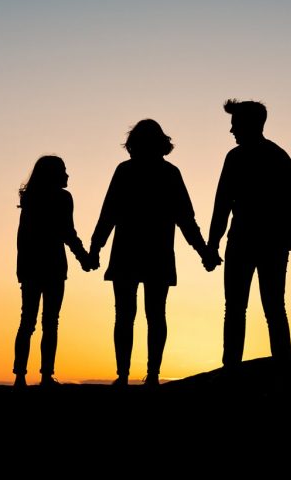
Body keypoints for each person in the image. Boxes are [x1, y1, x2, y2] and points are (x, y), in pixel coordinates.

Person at [89, 119, 215, 385]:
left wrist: (95, 248)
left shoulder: (126, 171)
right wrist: (203, 251)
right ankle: (151, 376)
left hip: (129, 252)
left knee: (126, 315)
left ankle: (125, 376)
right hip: (155, 253)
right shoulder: (169, 174)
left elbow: (108, 214)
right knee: (154, 314)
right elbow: (186, 219)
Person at [206, 99, 291, 365]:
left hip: (251, 243)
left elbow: (222, 203)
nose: (232, 130)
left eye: (235, 124)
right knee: (268, 308)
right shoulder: (277, 156)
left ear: (249, 124)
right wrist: (286, 242)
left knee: (244, 308)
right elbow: (223, 203)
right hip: (258, 244)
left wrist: (213, 245)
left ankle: (235, 366)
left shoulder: (240, 158)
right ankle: (271, 364)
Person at [13, 155, 94, 387]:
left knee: (27, 321)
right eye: (64, 171)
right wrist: (84, 258)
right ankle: (46, 375)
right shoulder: (62, 198)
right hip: (53, 267)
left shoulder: (30, 199)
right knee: (50, 322)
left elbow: (23, 239)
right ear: (54, 174)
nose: (67, 175)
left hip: (31, 267)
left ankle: (20, 375)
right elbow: (68, 232)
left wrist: (22, 270)